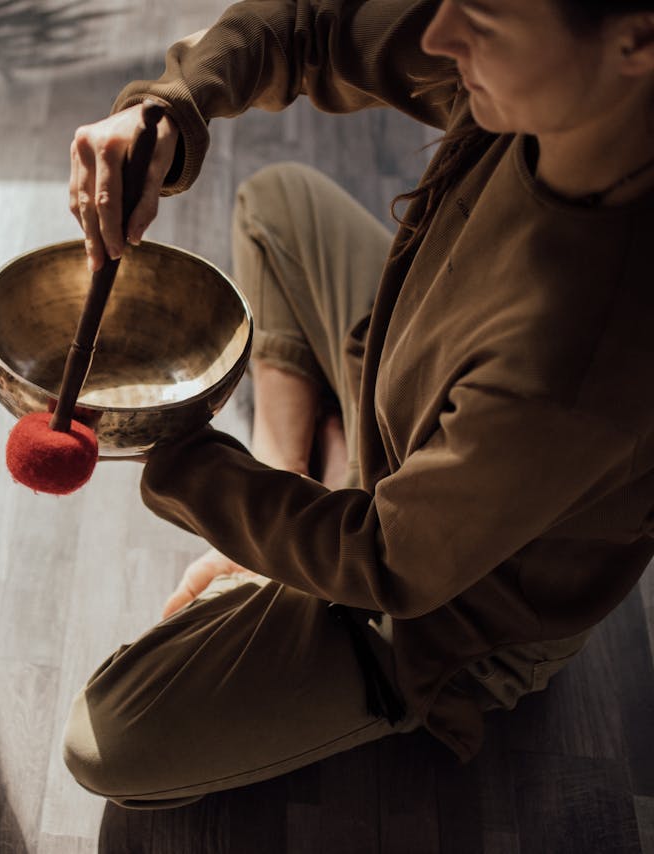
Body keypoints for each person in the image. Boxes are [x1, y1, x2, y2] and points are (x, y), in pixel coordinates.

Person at [61, 0, 654, 807]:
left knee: (107, 743)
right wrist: (169, 105)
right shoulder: (567, 92)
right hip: (409, 413)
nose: (439, 35)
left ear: (638, 39)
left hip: (453, 606)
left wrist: (178, 455)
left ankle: (311, 515)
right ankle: (302, 491)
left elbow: (389, 563)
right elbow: (312, 23)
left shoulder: (586, 354)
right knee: (277, 205)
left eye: (480, 18)